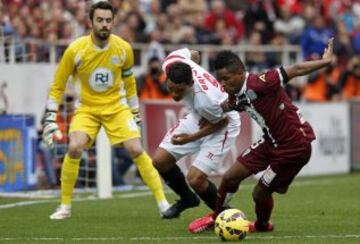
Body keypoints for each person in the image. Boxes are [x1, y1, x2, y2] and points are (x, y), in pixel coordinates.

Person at [189, 38, 335, 233]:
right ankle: (216, 217)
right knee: (230, 178)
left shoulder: (262, 82)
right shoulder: (235, 96)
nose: (223, 84)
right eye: (220, 80)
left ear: (240, 73)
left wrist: (325, 61)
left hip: (294, 146)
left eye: (226, 79)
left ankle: (262, 225)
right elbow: (225, 107)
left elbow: (297, 69)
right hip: (271, 142)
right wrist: (206, 113)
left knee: (259, 193)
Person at [43, 1, 169, 220]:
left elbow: (129, 84)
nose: (104, 25)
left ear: (113, 22)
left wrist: (135, 111)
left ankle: (163, 204)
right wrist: (51, 116)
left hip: (116, 107)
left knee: (136, 149)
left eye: (108, 20)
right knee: (74, 147)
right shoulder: (75, 50)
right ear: (90, 22)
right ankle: (64, 206)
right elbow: (58, 85)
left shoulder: (124, 49)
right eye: (100, 20)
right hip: (87, 109)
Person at [152, 48, 241, 219]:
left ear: (191, 84)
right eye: (170, 88)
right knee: (160, 161)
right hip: (199, 115)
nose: (174, 95)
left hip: (224, 124)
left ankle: (227, 217)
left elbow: (222, 122)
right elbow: (193, 53)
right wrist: (194, 63)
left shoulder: (207, 101)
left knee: (195, 179)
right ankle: (187, 199)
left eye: (179, 91)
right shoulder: (172, 61)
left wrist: (189, 138)